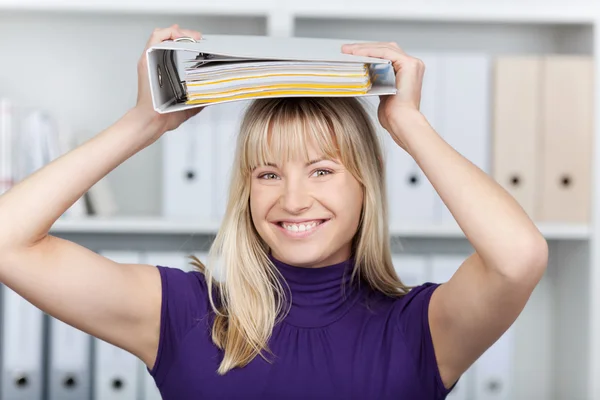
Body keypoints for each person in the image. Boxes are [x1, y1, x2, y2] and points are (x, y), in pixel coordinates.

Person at [0, 25, 548, 399]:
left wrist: (408, 125)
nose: (292, 200)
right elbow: (8, 242)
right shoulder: (184, 313)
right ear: (245, 191)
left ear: (366, 184)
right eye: (267, 174)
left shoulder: (422, 329)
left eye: (322, 170)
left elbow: (518, 258)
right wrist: (146, 122)